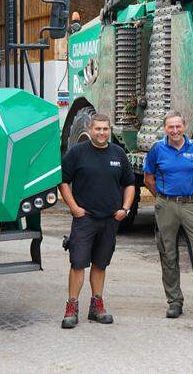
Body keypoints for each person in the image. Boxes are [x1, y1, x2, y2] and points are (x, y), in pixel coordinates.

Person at [58, 113, 136, 329]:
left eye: (105, 129)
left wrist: (125, 209)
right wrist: (74, 208)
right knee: (77, 264)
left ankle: (97, 307)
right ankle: (71, 308)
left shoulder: (118, 154)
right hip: (85, 220)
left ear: (109, 130)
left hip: (110, 220)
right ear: (90, 130)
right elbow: (63, 181)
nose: (101, 133)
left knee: (101, 265)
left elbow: (129, 184)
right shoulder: (78, 152)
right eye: (97, 129)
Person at [143, 111, 193, 320]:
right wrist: (160, 196)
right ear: (165, 129)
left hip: (190, 205)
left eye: (178, 126)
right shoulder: (158, 149)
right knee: (168, 254)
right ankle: (174, 302)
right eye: (171, 127)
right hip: (166, 205)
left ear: (184, 126)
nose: (175, 130)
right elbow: (148, 178)